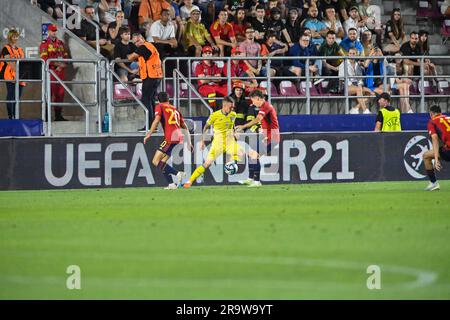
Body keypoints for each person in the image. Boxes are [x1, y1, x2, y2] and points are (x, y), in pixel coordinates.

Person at [183, 96, 244, 188]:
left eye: (233, 107)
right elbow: (206, 127)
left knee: (241, 153)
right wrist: (202, 140)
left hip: (230, 142)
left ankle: (230, 164)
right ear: (224, 105)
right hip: (218, 144)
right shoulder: (214, 115)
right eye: (230, 107)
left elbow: (232, 125)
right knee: (207, 163)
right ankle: (189, 181)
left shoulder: (233, 115)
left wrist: (235, 132)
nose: (232, 109)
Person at [143, 91, 192, 190]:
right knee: (162, 162)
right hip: (178, 137)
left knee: (155, 161)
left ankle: (178, 173)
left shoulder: (160, 106)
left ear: (158, 100)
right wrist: (189, 142)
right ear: (168, 100)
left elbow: (156, 120)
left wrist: (149, 134)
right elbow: (185, 127)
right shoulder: (175, 109)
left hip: (170, 138)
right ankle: (171, 184)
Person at [235, 89, 280, 187]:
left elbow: (258, 119)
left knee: (254, 155)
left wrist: (243, 126)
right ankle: (250, 179)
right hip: (267, 137)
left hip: (273, 137)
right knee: (251, 154)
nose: (253, 103)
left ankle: (257, 182)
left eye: (253, 101)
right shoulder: (263, 107)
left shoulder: (266, 106)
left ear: (258, 98)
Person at [127, 33, 163, 131]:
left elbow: (130, 57)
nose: (137, 44)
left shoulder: (144, 47)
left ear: (142, 39)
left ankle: (150, 125)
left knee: (146, 100)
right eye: (135, 42)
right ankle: (152, 125)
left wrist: (128, 54)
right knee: (150, 100)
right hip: (153, 76)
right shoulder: (147, 46)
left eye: (138, 41)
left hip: (152, 77)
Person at [39, 24, 69, 121]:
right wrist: (57, 64)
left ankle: (58, 116)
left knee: (60, 94)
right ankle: (46, 117)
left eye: (55, 31)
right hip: (50, 72)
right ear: (48, 32)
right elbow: (44, 58)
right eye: (52, 31)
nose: (54, 32)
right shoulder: (44, 43)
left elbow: (65, 56)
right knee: (49, 93)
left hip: (60, 73)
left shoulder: (60, 43)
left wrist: (64, 64)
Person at [422, 105, 450, 191]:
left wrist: (436, 159)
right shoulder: (448, 117)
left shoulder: (432, 121)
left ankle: (434, 183)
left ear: (432, 114)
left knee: (426, 156)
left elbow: (435, 139)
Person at [0, 29, 26, 120]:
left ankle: (16, 116)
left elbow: (24, 63)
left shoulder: (20, 50)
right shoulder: (6, 48)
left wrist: (21, 75)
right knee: (11, 96)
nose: (15, 38)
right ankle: (11, 116)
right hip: (10, 76)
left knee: (17, 98)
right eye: (14, 36)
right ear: (10, 37)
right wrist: (17, 74)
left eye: (17, 36)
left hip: (20, 77)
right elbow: (9, 61)